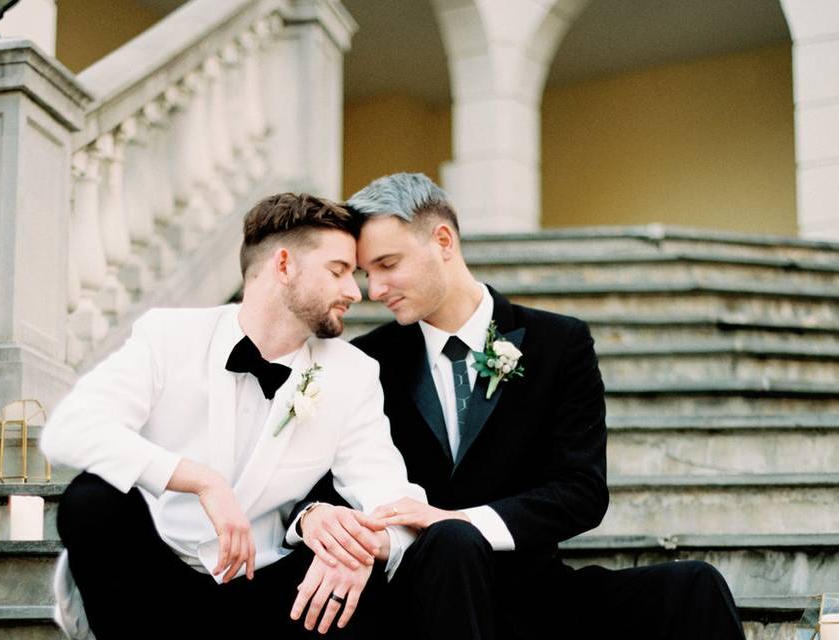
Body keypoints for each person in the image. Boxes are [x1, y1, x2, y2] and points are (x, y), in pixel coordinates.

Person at [291, 173, 746, 639]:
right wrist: (316, 518)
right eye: (367, 274)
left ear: (442, 240)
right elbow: (305, 477)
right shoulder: (364, 361)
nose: (374, 290)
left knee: (693, 585)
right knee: (441, 550)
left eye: (387, 264)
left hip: (534, 595)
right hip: (415, 598)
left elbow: (581, 490)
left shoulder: (560, 342)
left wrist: (460, 521)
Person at [40, 193, 426, 639]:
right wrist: (201, 480)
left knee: (365, 573)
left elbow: (391, 495)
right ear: (284, 266)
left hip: (268, 589)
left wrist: (360, 548)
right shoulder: (169, 336)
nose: (354, 292)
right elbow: (70, 430)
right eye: (338, 271)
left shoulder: (353, 373)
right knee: (92, 499)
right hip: (155, 580)